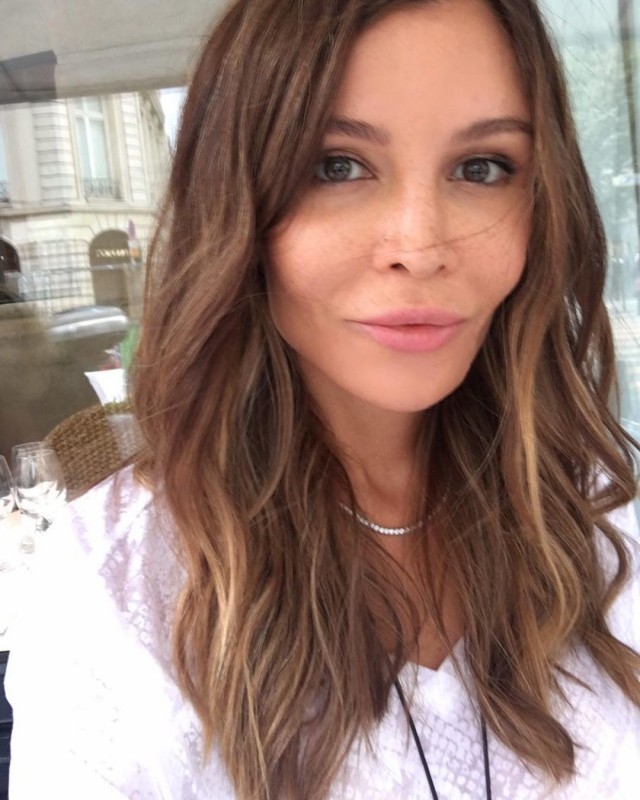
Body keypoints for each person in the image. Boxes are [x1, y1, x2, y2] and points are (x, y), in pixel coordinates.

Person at [6, 0, 640, 797]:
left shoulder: (600, 511)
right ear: (236, 204)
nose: (420, 246)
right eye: (337, 166)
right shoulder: (118, 590)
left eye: (482, 167)